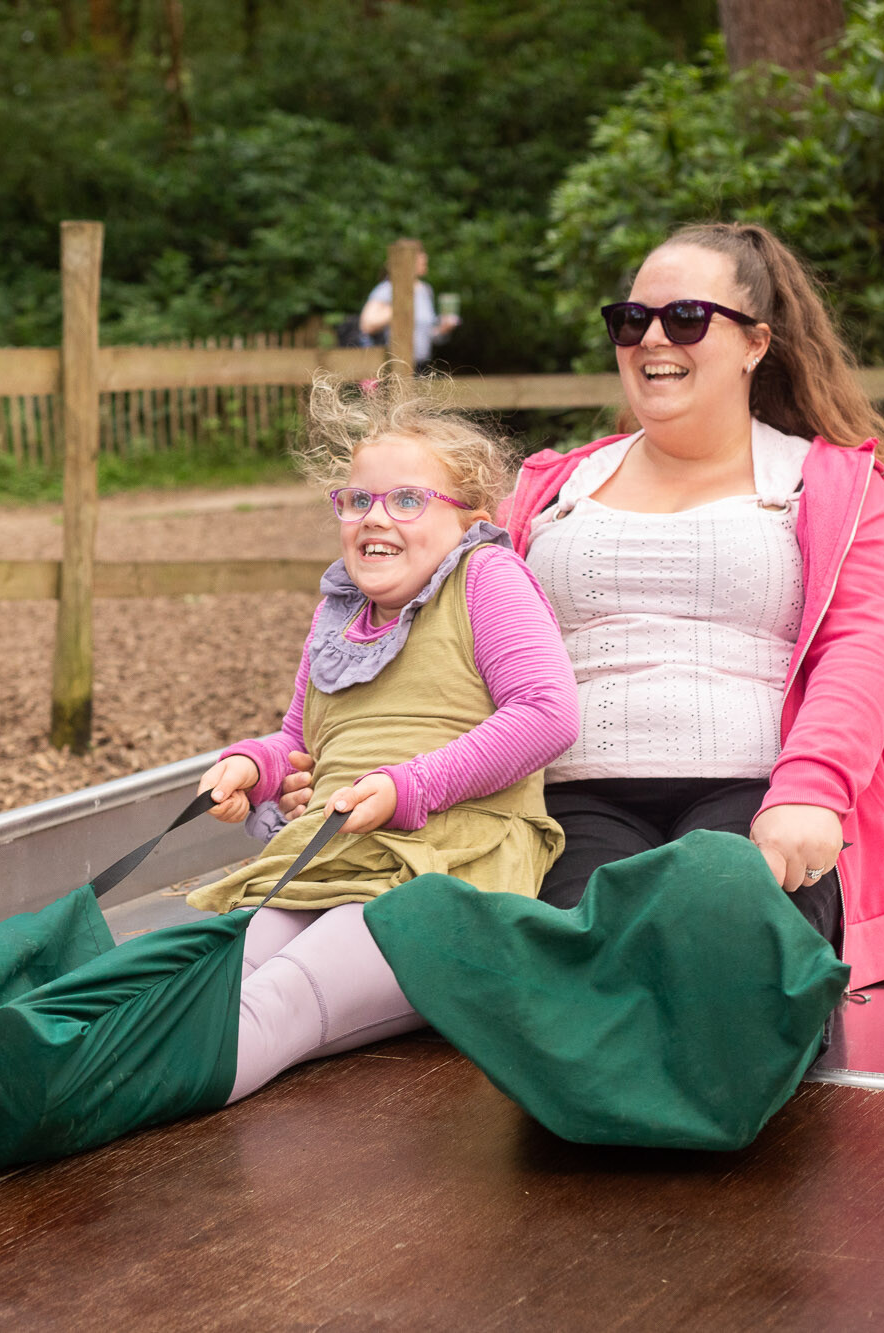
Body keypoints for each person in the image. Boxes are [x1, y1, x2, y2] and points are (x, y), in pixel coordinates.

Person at [282, 222, 884, 992]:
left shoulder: (834, 488)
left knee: (722, 934)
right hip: (574, 799)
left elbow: (864, 649)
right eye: (632, 319)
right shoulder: (552, 490)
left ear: (757, 342)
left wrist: (812, 793)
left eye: (685, 317)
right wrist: (341, 753)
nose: (653, 337)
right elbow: (436, 623)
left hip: (757, 792)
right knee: (575, 964)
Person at [187, 372, 578, 1102]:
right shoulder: (336, 611)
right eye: (358, 499)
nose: (376, 517)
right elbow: (301, 742)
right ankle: (74, 1069)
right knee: (207, 973)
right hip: (333, 858)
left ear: (469, 517)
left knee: (278, 1003)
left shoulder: (485, 578)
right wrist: (253, 767)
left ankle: (107, 1096)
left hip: (447, 870)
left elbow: (548, 711)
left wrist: (410, 784)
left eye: (407, 500)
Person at [357, 243, 461, 368]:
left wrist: (443, 329)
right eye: (420, 255)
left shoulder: (425, 290)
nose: (425, 258)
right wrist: (397, 309)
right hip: (395, 366)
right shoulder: (388, 288)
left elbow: (426, 334)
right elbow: (367, 325)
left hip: (422, 365)